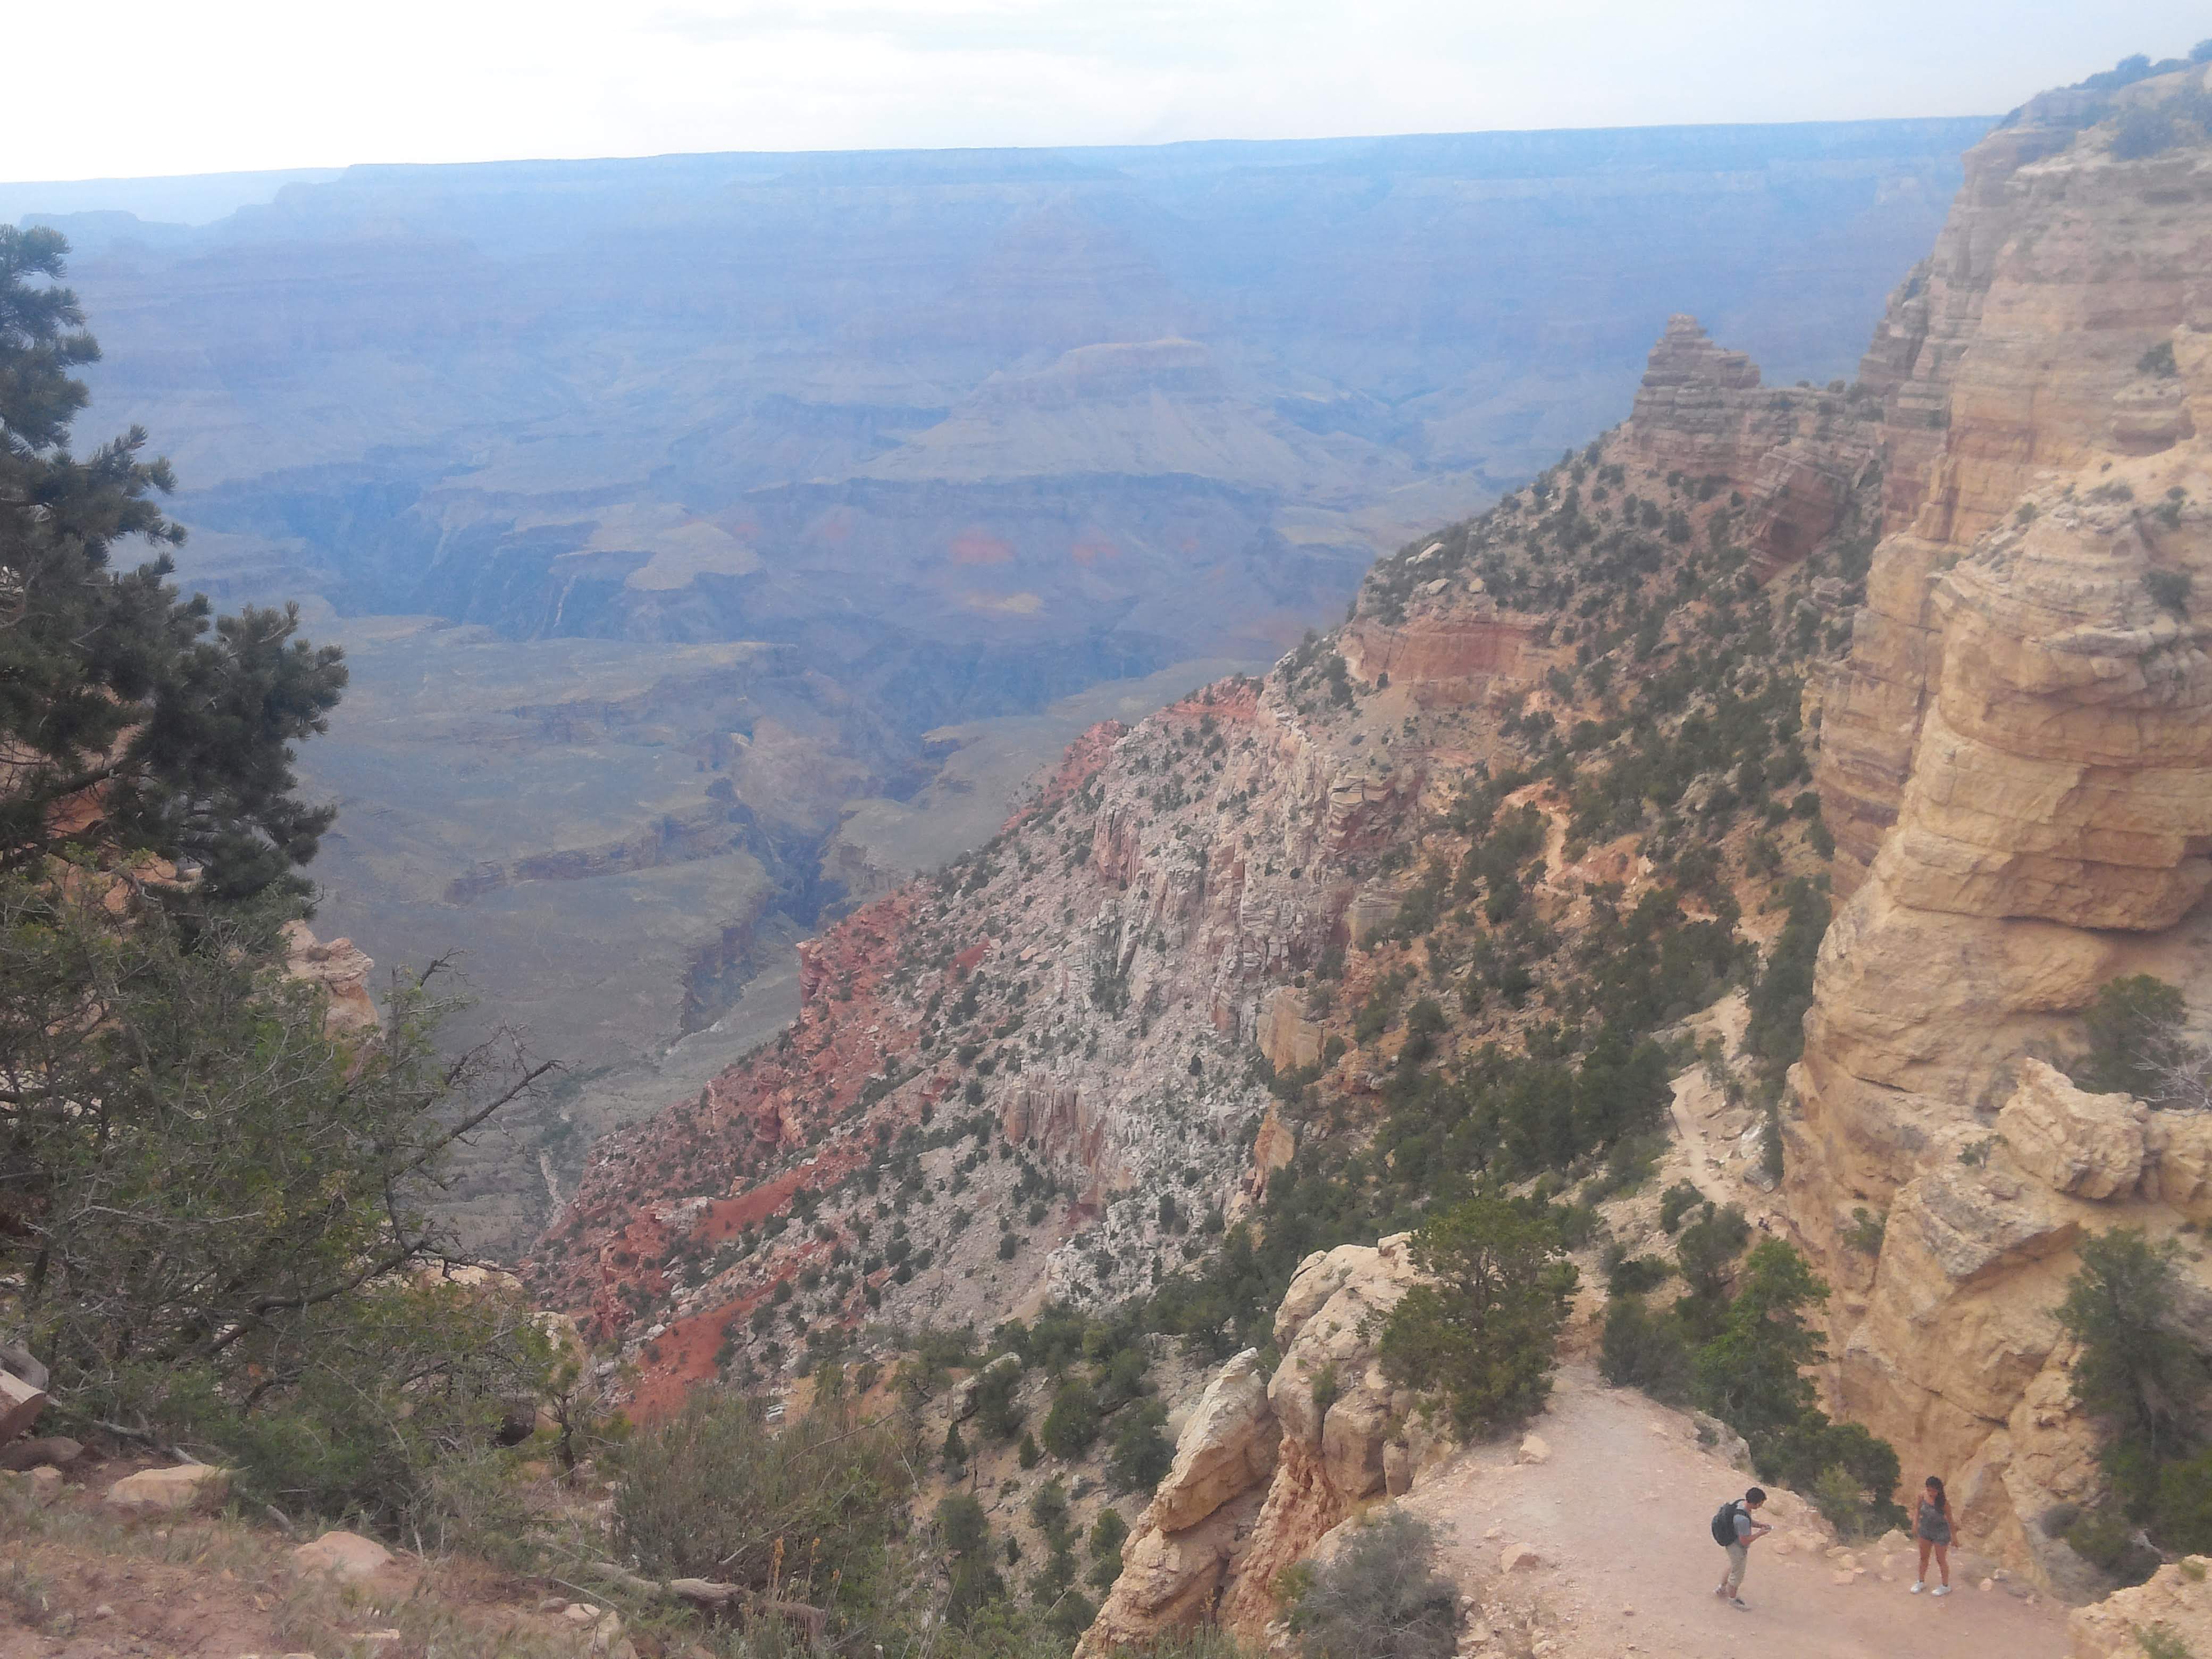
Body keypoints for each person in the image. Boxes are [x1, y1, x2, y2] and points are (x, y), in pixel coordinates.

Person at [1714, 1486, 1771, 1610]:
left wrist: (1760, 1525)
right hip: (1736, 1546)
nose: (1760, 1506)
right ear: (1755, 1503)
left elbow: (1747, 1520)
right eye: (1760, 1504)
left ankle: (1721, 1589)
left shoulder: (1740, 1504)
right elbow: (1745, 1541)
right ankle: (1732, 1600)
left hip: (1730, 1539)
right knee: (1738, 1574)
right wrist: (1760, 1534)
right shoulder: (1742, 1520)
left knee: (1733, 1566)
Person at [1911, 1476, 1954, 1596]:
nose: (1932, 1493)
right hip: (1925, 1530)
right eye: (1929, 1490)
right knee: (1923, 1557)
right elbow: (1917, 1510)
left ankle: (1945, 1586)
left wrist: (1954, 1537)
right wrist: (1915, 1524)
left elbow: (1950, 1520)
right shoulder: (1922, 1496)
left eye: (1934, 1491)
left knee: (1941, 1560)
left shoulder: (1944, 1503)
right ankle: (1920, 1582)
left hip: (1941, 1532)